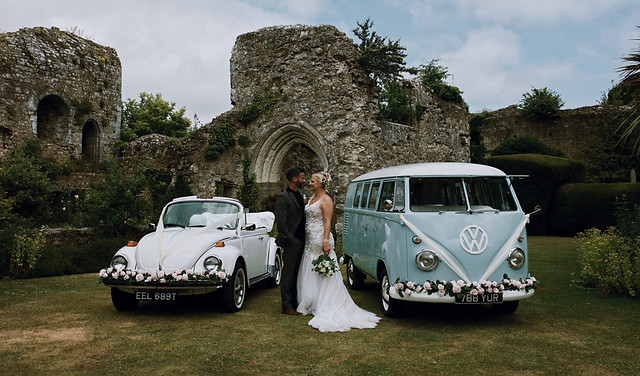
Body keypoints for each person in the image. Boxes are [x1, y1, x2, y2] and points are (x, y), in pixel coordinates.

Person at [296, 171, 380, 332]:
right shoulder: (312, 199)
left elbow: (328, 221)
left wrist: (325, 241)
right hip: (310, 240)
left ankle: (327, 302)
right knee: (310, 267)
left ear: (321, 183)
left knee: (324, 270)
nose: (310, 183)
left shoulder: (326, 200)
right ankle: (311, 300)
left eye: (313, 181)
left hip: (321, 239)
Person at [275, 167, 307, 316]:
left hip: (302, 240)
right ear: (294, 179)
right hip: (292, 241)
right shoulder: (284, 196)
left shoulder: (298, 195)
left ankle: (294, 303)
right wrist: (291, 239)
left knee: (296, 273)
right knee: (288, 274)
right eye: (302, 178)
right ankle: (286, 306)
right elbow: (280, 223)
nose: (304, 180)